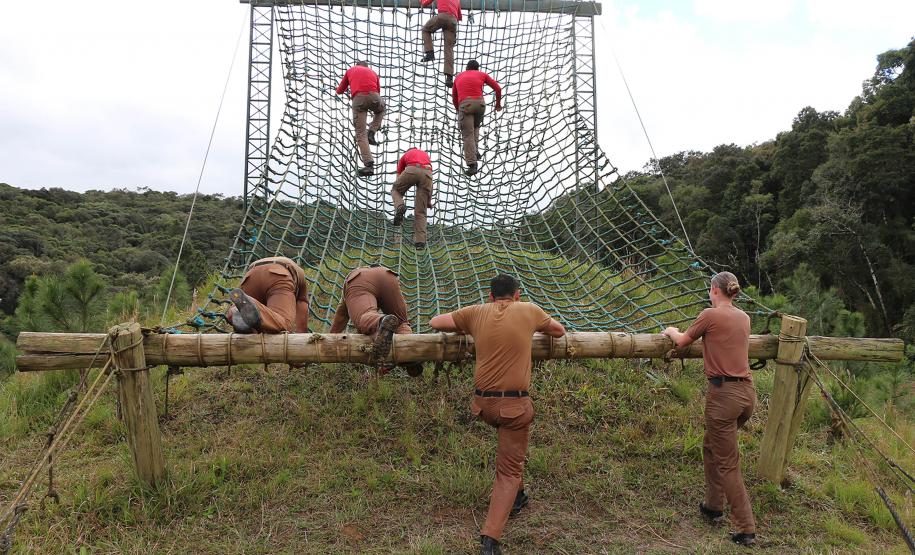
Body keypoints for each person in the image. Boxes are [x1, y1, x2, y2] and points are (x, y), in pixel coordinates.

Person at [429, 274, 566, 555]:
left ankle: (519, 497)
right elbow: (559, 331)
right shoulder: (529, 310)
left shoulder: (476, 312)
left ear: (490, 297)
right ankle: (490, 540)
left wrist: (468, 327)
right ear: (517, 294)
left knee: (512, 454)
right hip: (513, 408)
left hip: (482, 406)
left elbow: (436, 322)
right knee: (508, 471)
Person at [662, 271, 757, 547]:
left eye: (710, 289)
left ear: (715, 290)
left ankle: (745, 528)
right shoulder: (744, 318)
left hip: (723, 395)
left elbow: (681, 341)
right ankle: (713, 505)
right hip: (746, 394)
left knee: (728, 462)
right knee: (711, 446)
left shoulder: (710, 314)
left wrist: (669, 331)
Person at [330, 265, 422, 376]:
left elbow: (339, 320)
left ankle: (381, 320)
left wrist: (329, 339)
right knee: (401, 323)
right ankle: (409, 353)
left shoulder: (347, 299)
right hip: (387, 275)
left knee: (365, 316)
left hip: (359, 279)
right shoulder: (350, 300)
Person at [227, 256, 309, 333]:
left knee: (255, 327)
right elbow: (302, 312)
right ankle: (252, 305)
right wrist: (303, 338)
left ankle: (235, 311)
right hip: (278, 273)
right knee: (285, 324)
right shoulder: (301, 276)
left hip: (250, 275)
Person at [452, 60, 502, 176]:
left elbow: (454, 97)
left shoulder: (459, 77)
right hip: (480, 105)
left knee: (467, 134)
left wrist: (458, 109)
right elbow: (498, 89)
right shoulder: (482, 74)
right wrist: (498, 104)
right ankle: (475, 151)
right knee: (475, 127)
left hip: (465, 104)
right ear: (477, 68)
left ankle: (472, 165)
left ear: (466, 68)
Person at [336, 61, 384, 177]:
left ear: (357, 65)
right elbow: (378, 90)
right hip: (375, 97)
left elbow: (339, 91)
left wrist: (348, 88)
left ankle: (369, 165)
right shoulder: (372, 72)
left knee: (360, 134)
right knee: (381, 110)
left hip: (358, 100)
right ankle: (372, 132)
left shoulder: (351, 70)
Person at [392, 148, 434, 249]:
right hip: (427, 174)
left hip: (412, 169)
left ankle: (400, 207)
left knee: (395, 190)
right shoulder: (425, 155)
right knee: (421, 212)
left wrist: (400, 196)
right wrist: (428, 201)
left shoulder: (406, 155)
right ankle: (420, 242)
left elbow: (399, 178)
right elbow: (430, 183)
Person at [420, 0, 460, 87]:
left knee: (425, 30)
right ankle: (449, 78)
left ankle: (430, 53)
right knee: (449, 49)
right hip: (453, 21)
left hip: (443, 16)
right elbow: (459, 16)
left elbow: (425, 3)